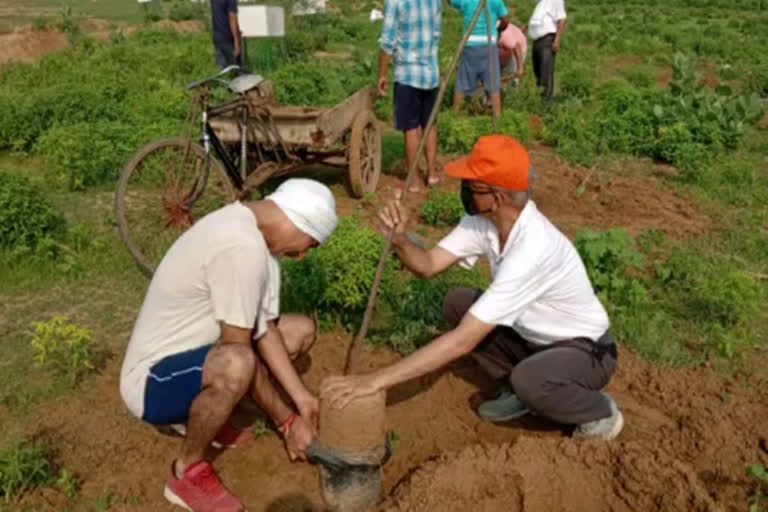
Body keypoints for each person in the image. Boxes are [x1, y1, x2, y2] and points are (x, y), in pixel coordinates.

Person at [323, 136, 624, 442]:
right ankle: (521, 389)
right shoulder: (482, 222)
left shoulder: (534, 248)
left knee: (530, 380)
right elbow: (427, 266)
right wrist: (400, 240)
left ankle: (599, 412)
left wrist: (376, 381)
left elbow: (462, 342)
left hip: (586, 352)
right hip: (534, 339)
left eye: (471, 184)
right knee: (457, 302)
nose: (463, 189)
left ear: (496, 196)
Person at [120, 179, 339, 512]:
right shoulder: (241, 247)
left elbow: (263, 327)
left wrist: (302, 398)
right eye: (309, 243)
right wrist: (287, 422)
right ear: (297, 221)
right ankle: (185, 473)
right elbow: (243, 353)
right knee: (237, 364)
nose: (302, 255)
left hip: (192, 358)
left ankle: (211, 416)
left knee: (298, 331)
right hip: (151, 383)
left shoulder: (251, 232)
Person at [378, 0, 443, 193]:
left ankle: (413, 181)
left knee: (411, 127)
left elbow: (387, 40)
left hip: (407, 74)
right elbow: (437, 33)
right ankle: (431, 175)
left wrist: (382, 74)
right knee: (430, 124)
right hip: (431, 73)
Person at [452, 0, 509, 117]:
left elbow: (451, 2)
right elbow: (505, 20)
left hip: (470, 44)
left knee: (463, 84)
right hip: (489, 44)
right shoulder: (496, 1)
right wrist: (499, 30)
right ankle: (497, 119)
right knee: (493, 85)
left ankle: (456, 117)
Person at [526, 0, 567, 102]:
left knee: (546, 73)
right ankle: (540, 99)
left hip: (547, 40)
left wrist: (557, 41)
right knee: (538, 72)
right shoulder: (540, 2)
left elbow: (562, 19)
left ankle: (547, 104)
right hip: (537, 41)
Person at [211, 0, 242, 70]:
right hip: (228, 38)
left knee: (222, 70)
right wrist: (236, 40)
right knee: (236, 68)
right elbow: (232, 17)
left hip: (217, 37)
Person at [498, 22, 527, 87]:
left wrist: (520, 68)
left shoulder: (504, 35)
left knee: (513, 74)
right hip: (502, 49)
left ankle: (513, 91)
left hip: (517, 49)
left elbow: (517, 47)